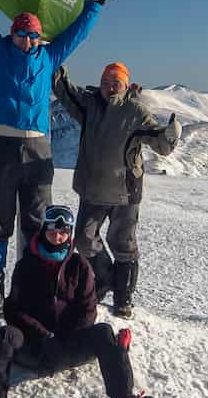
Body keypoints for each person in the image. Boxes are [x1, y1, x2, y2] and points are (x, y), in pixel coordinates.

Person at [0, 0, 109, 282]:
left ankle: (35, 285)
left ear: (39, 36)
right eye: (20, 33)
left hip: (38, 148)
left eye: (32, 34)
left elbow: (78, 34)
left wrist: (95, 5)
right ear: (12, 33)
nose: (26, 40)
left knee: (37, 220)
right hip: (1, 145)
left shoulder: (49, 56)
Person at [0, 204, 160, 398]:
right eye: (53, 231)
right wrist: (44, 335)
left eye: (64, 232)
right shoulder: (26, 265)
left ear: (70, 234)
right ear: (44, 231)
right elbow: (14, 310)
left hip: (68, 346)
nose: (58, 236)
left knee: (104, 331)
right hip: (34, 346)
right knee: (4, 335)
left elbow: (88, 308)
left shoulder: (80, 265)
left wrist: (66, 336)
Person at [52, 61, 181, 317]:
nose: (110, 88)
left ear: (124, 86)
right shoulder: (90, 104)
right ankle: (107, 277)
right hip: (93, 189)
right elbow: (64, 90)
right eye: (105, 82)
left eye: (116, 83)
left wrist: (170, 134)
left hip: (125, 191)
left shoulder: (135, 112)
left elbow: (160, 144)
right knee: (84, 239)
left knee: (122, 242)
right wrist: (56, 58)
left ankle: (123, 297)